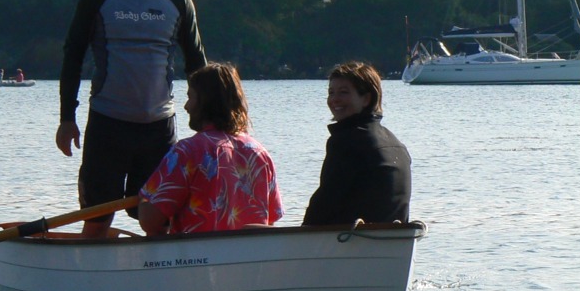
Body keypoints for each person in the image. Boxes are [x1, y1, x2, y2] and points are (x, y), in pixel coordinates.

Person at [55, 0, 207, 237]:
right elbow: (73, 58)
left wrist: (210, 124)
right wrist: (67, 118)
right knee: (98, 218)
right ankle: (90, 267)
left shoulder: (177, 0)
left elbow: (198, 66)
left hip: (159, 129)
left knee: (158, 221)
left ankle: (161, 270)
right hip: (108, 125)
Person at [138, 62, 283, 235]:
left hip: (197, 252)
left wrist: (144, 200)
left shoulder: (187, 152)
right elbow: (270, 222)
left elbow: (149, 222)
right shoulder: (260, 154)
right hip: (250, 252)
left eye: (190, 97)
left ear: (205, 101)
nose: (186, 106)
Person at [302, 61, 411, 226]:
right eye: (331, 93)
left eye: (344, 92)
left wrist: (302, 233)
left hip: (353, 238)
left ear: (366, 99)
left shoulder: (347, 141)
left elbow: (326, 200)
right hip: (396, 236)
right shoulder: (397, 144)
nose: (335, 99)